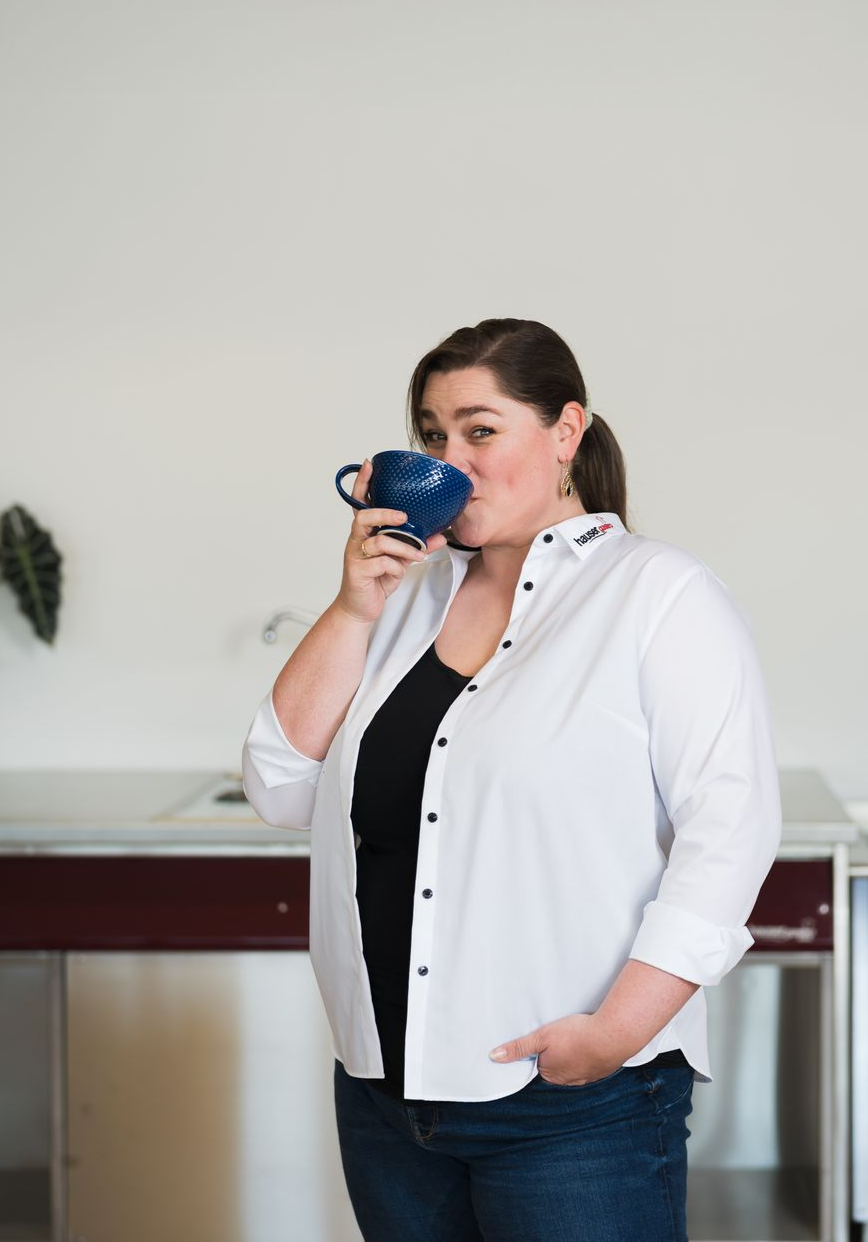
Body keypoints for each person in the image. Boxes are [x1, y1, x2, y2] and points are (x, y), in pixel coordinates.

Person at [241, 318, 782, 1242]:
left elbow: (730, 832)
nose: (450, 461)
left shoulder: (659, 593)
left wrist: (614, 1035)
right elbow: (279, 785)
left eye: (480, 431)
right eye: (432, 436)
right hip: (386, 1099)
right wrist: (353, 607)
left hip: (572, 1106)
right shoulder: (405, 596)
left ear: (566, 431)